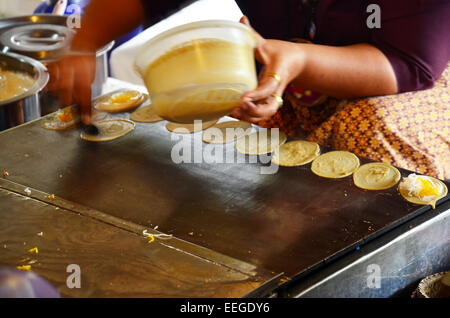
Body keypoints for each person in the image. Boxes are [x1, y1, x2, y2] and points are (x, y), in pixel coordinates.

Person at [48, 0, 450, 178]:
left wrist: (300, 61)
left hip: (401, 91)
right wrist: (83, 41)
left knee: (368, 135)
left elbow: (407, 61)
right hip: (279, 72)